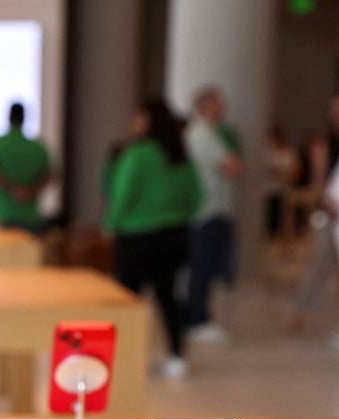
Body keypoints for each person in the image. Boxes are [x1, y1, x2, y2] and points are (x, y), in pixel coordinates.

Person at [104, 99, 203, 378]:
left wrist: (111, 224)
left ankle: (125, 357)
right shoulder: (179, 154)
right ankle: (176, 355)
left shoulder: (138, 154)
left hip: (137, 235)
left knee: (128, 299)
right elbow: (197, 196)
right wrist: (178, 216)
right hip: (174, 234)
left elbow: (123, 194)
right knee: (168, 295)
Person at [184, 86, 244, 344]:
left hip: (212, 210)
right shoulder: (202, 134)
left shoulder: (209, 134)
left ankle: (198, 317)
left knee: (206, 268)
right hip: (206, 211)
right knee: (202, 268)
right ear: (204, 107)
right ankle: (197, 319)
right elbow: (232, 166)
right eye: (217, 104)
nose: (222, 109)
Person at [287, 93, 339, 337]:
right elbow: (319, 184)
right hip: (328, 214)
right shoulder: (323, 145)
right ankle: (298, 312)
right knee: (319, 264)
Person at [0, 102, 51, 232]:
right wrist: (29, 192)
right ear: (24, 118)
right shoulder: (37, 147)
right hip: (29, 216)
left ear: (8, 117)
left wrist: (12, 189)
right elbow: (47, 176)